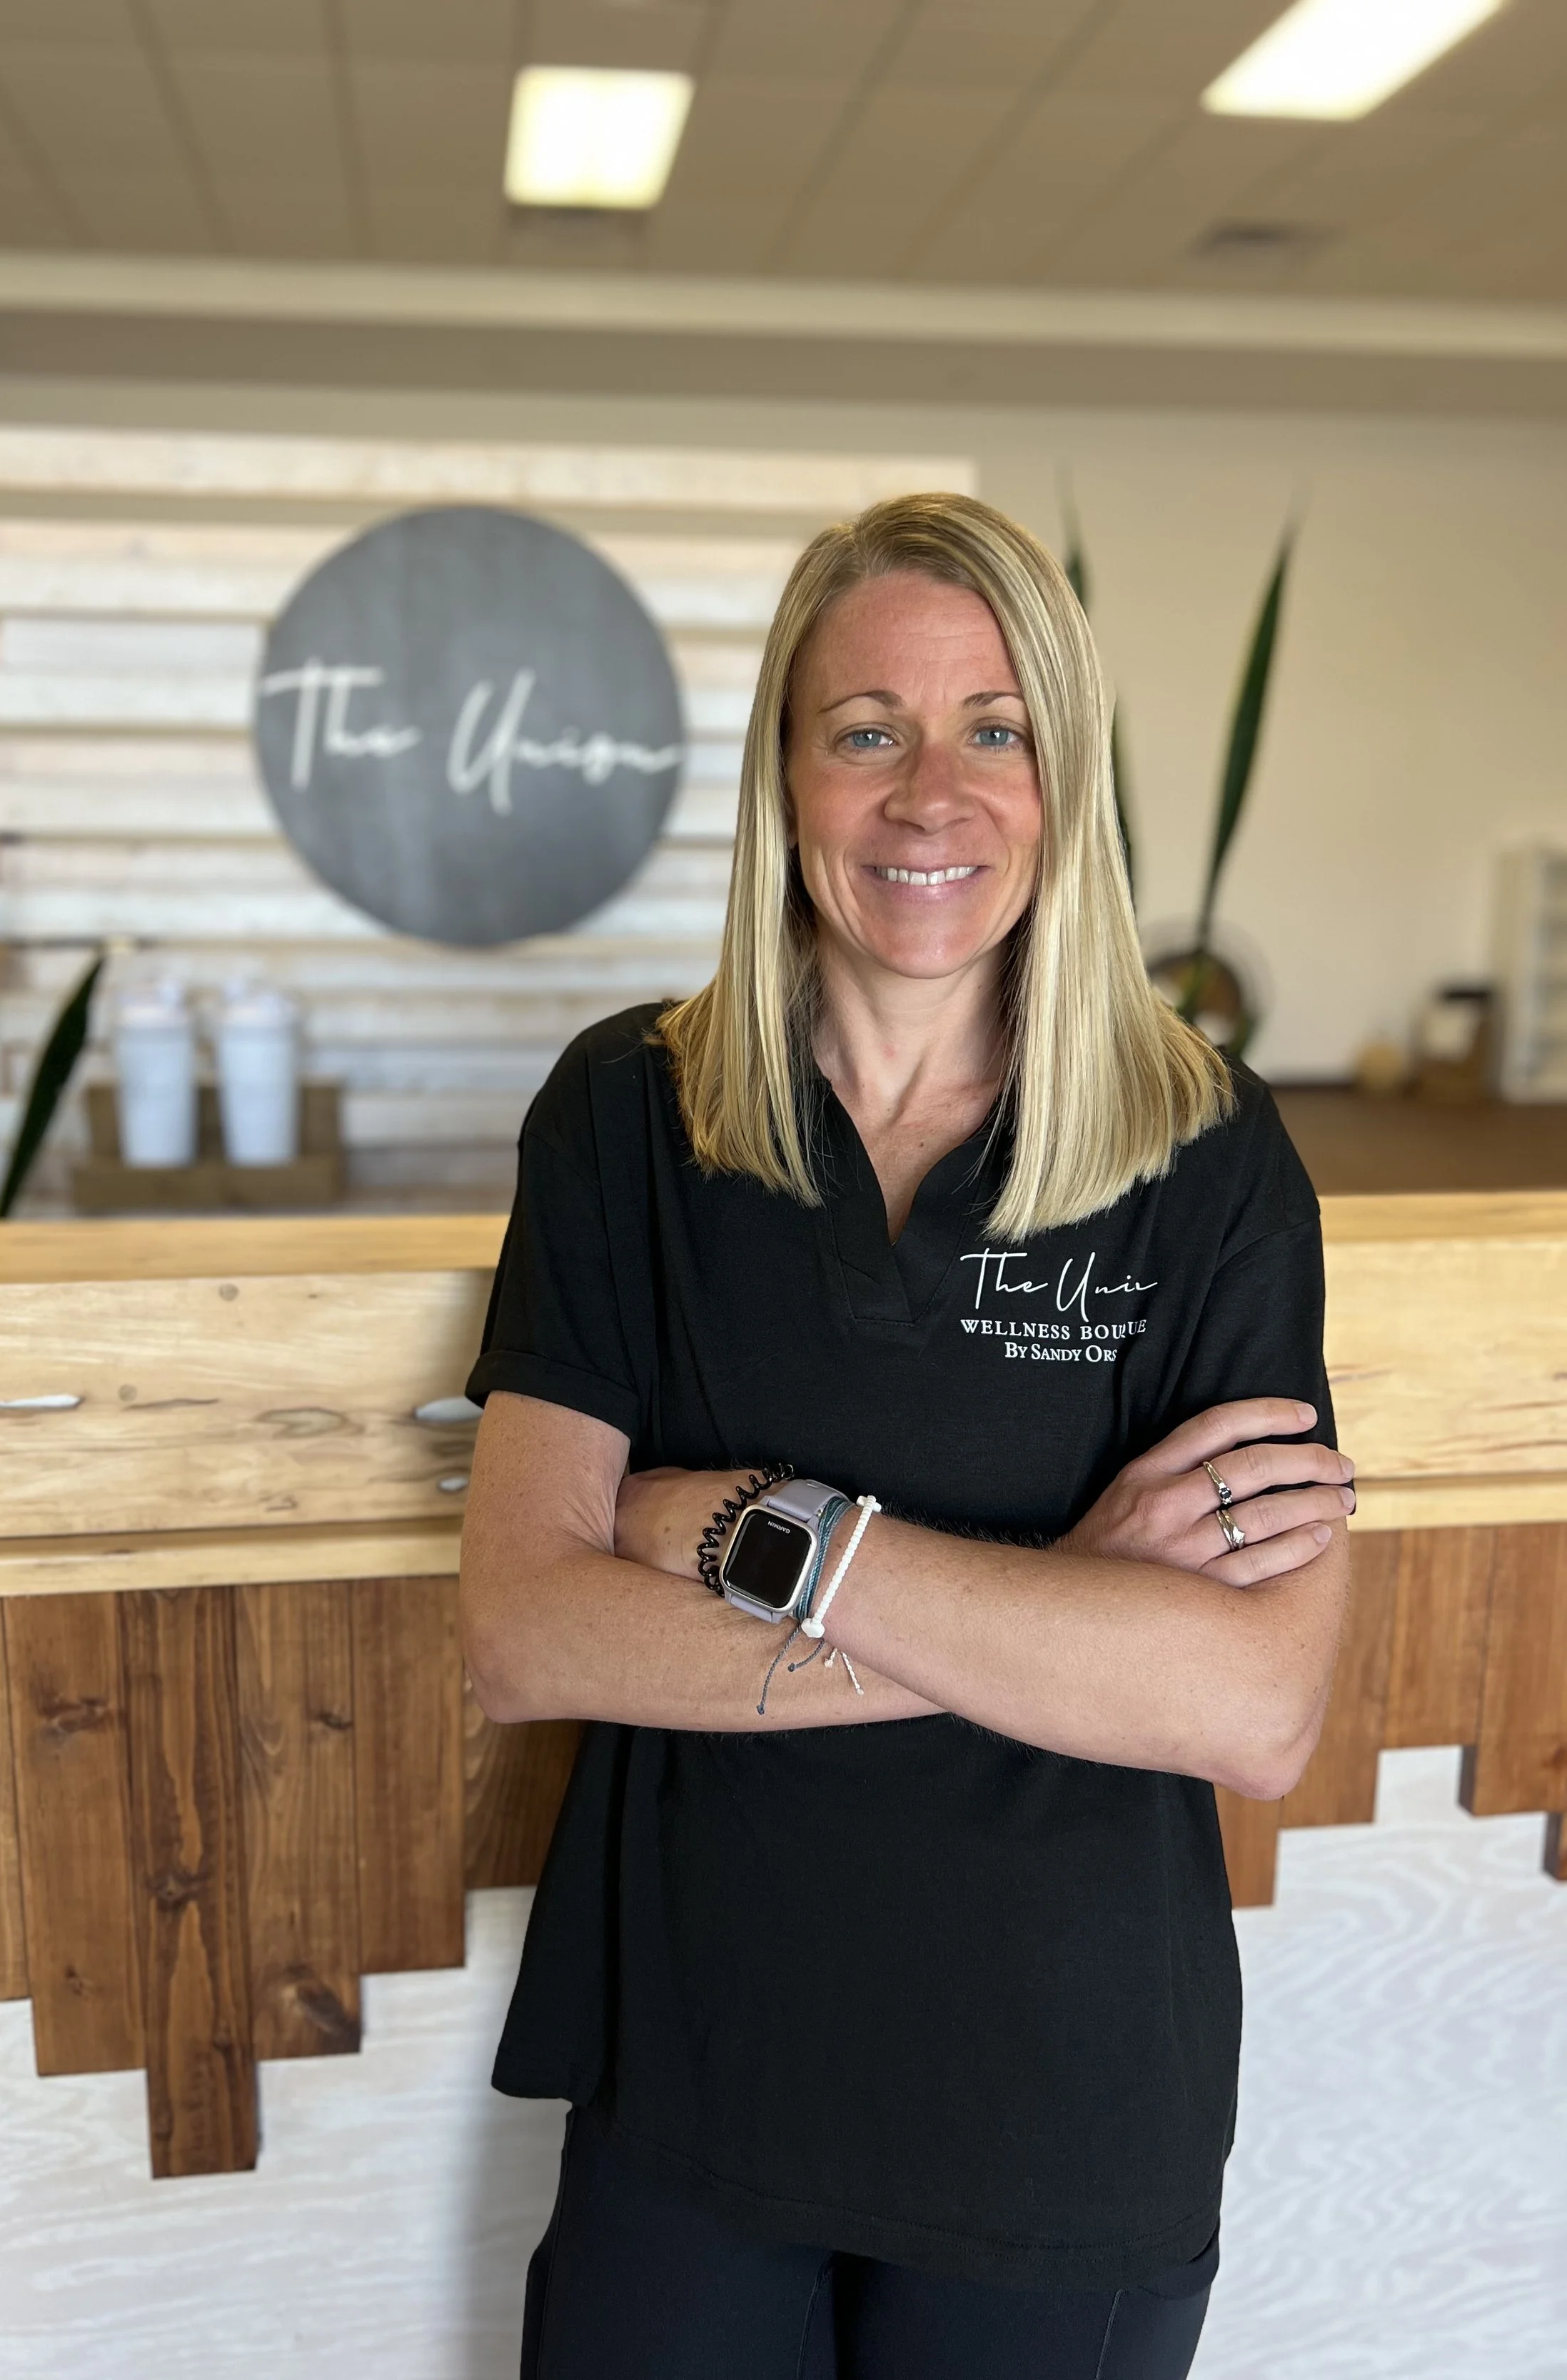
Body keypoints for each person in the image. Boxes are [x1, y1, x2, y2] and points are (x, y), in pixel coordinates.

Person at [460, 492, 1355, 2380]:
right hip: (693, 2078)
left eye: (992, 729)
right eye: (865, 729)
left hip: (1068, 2114)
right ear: (784, 775)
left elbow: (1252, 1706)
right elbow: (525, 1628)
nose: (928, 796)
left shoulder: (1208, 1153)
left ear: (1063, 776)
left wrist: (757, 1536)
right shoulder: (627, 1115)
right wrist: (1066, 1610)